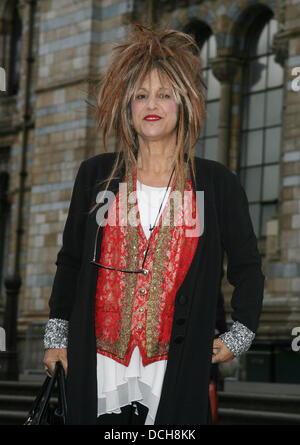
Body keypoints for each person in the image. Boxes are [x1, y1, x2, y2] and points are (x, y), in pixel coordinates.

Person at [43, 23, 265, 425]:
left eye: (165, 94)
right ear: (127, 106)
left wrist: (241, 333)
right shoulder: (96, 176)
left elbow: (248, 267)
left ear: (184, 103)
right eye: (141, 95)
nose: (152, 104)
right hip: (98, 363)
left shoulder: (217, 184)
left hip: (175, 365)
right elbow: (71, 260)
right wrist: (57, 337)